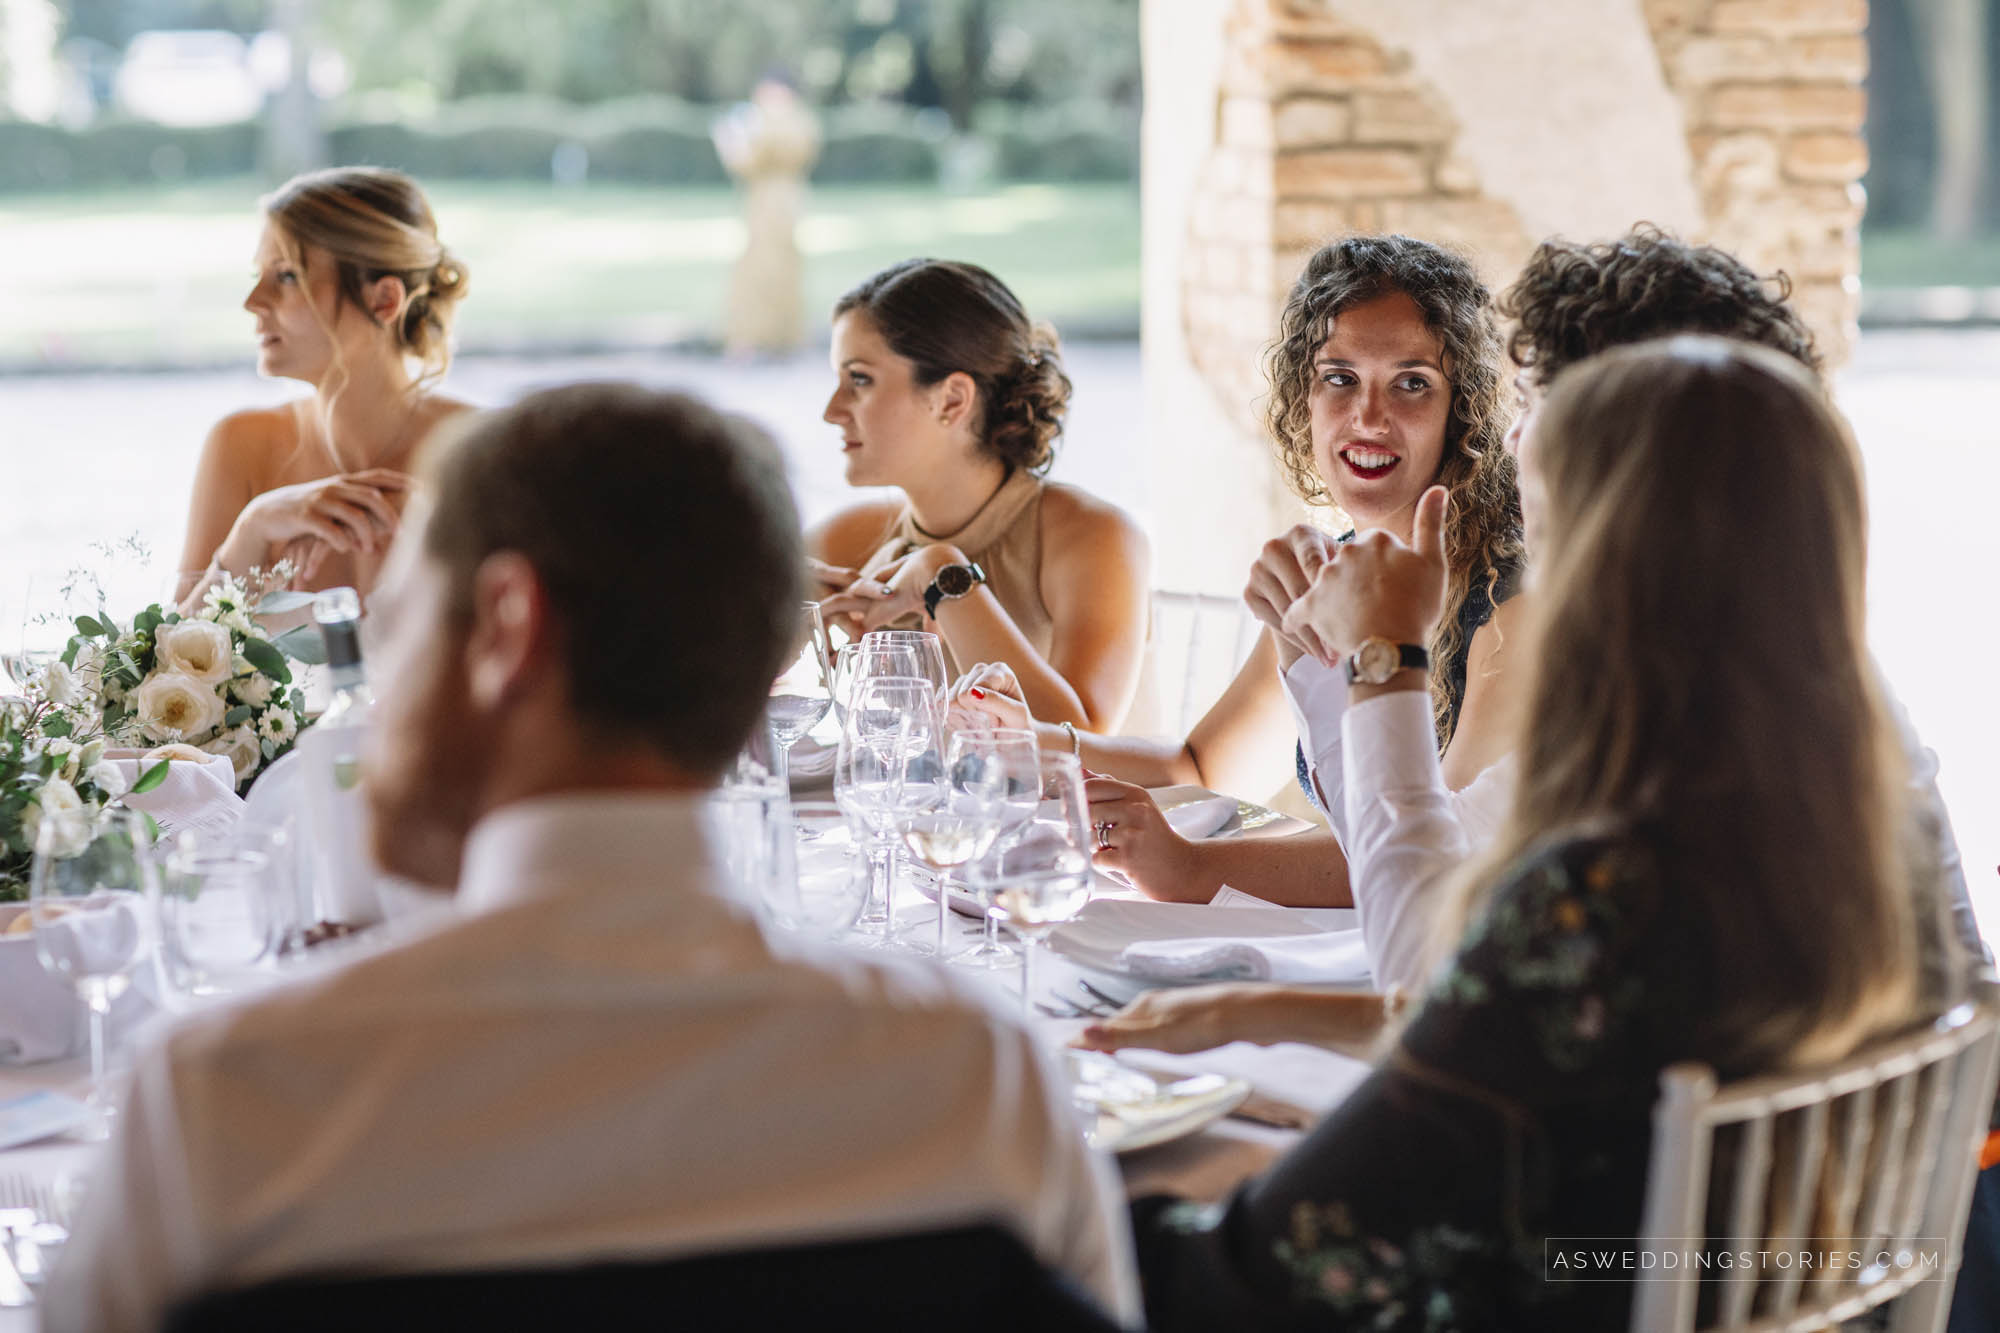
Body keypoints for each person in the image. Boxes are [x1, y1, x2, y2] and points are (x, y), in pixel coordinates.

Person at [45, 384, 1138, 1332]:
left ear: (508, 626)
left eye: (400, 623)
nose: (376, 686)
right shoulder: (977, 1081)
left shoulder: (228, 1103)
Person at [1127, 337, 1928, 1331]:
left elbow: (1273, 1258)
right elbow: (1475, 993)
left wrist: (1387, 657)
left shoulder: (1606, 888)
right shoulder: (1833, 823)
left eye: (1542, 526)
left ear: (1610, 560)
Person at [1080, 225, 1980, 1048]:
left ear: (1629, 440)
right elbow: (1442, 902)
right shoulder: (1777, 668)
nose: (1511, 437)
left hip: (1695, 1178)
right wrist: (1254, 1008)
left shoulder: (1655, 711)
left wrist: (1383, 662)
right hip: (1841, 1153)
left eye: (1537, 400)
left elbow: (1426, 942)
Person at [952, 234, 1524, 907]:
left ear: (1462, 408)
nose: (1369, 417)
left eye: (1412, 383)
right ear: (1303, 396)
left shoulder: (1512, 595)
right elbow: (1203, 767)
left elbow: (1434, 860)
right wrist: (1032, 745)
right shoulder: (1335, 574)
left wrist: (1189, 866)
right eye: (1339, 378)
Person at [811, 258, 1150, 731]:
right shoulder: (846, 540)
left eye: (860, 379)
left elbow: (1080, 746)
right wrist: (775, 621)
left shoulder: (1093, 538)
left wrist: (942, 576)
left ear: (952, 400)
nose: (832, 410)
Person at [173, 166, 474, 607]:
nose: (253, 302)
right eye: (259, 276)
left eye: (287, 276)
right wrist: (253, 529)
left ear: (384, 300)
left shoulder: (479, 455)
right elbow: (173, 649)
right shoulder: (240, 447)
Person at [713, 74, 821, 357]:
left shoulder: (770, 123)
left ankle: (753, 338)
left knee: (762, 268)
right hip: (784, 200)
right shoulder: (801, 121)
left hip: (768, 203)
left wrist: (730, 140)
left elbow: (748, 161)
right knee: (778, 266)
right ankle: (783, 336)